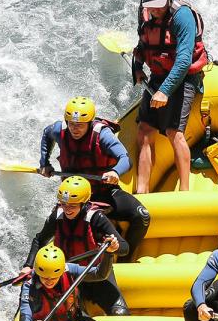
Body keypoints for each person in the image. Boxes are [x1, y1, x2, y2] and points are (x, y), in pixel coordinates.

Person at [39, 96, 150, 254]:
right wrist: (45, 163)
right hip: (74, 198)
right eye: (72, 124)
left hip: (104, 192)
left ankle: (127, 255)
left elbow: (125, 159)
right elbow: (47, 134)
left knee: (142, 216)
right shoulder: (59, 129)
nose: (75, 129)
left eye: (80, 125)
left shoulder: (102, 135)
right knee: (51, 229)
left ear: (90, 123)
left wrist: (115, 171)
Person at [132, 0, 208, 194]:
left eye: (158, 5)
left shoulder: (182, 16)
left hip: (183, 78)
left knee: (175, 132)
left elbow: (184, 59)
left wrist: (164, 91)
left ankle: (184, 191)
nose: (154, 10)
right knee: (144, 130)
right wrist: (137, 67)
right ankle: (142, 190)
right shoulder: (146, 12)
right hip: (158, 75)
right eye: (151, 5)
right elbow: (142, 44)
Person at [23, 176, 130, 316]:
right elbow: (39, 240)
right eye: (63, 203)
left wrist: (114, 247)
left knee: (120, 313)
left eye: (73, 205)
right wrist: (28, 265)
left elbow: (124, 247)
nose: (67, 209)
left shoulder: (96, 218)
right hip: (67, 274)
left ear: (84, 203)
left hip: (97, 273)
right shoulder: (57, 216)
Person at [19, 244, 116, 321]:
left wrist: (109, 253)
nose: (49, 281)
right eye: (44, 277)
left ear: (61, 272)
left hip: (73, 319)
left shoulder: (68, 269)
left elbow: (100, 274)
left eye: (54, 278)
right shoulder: (29, 285)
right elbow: (24, 319)